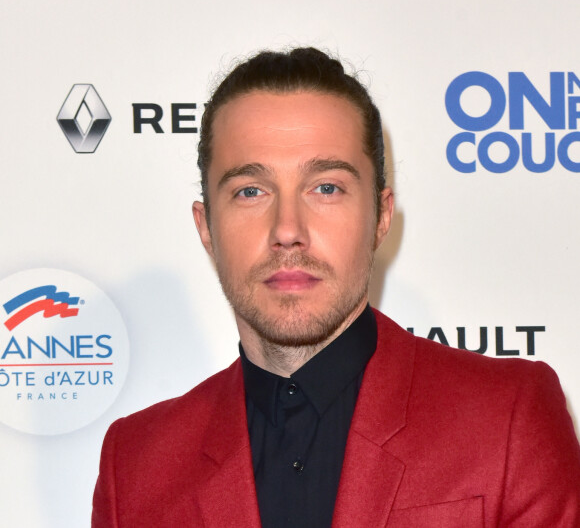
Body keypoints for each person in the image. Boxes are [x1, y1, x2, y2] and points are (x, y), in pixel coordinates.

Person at [92, 47, 580, 527]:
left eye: (326, 187)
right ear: (206, 227)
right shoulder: (135, 464)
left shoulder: (506, 418)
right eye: (250, 191)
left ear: (381, 216)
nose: (287, 228)